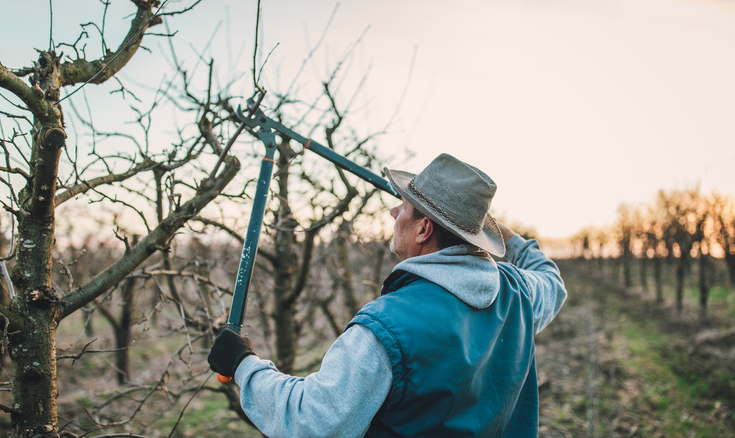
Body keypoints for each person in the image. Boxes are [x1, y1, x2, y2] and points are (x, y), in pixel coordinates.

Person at [208, 153, 567, 437]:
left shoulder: (387, 328)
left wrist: (243, 365)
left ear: (424, 228)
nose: (394, 211)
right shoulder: (518, 291)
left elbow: (311, 422)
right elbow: (552, 280)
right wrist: (511, 239)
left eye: (404, 207)